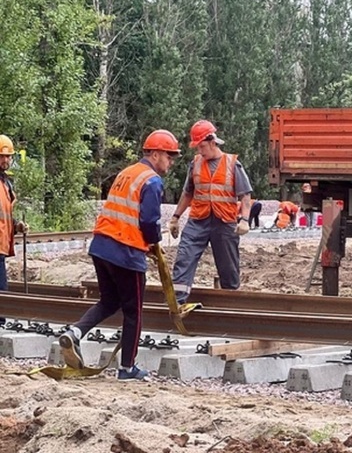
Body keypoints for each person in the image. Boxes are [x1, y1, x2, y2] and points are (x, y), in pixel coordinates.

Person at [58, 130, 180, 380]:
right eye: (170, 156)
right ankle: (127, 368)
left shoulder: (127, 173)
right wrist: (155, 245)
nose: (172, 161)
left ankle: (75, 333)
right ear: (155, 154)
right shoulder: (152, 181)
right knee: (133, 312)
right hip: (126, 252)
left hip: (101, 247)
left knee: (109, 302)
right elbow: (148, 221)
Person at [168, 120, 253, 304]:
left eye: (202, 146)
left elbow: (245, 196)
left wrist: (245, 220)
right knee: (184, 258)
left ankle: (230, 304)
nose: (199, 150)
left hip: (224, 223)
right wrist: (175, 217)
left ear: (213, 142)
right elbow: (187, 193)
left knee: (228, 267)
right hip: (198, 221)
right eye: (197, 147)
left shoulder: (232, 163)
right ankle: (177, 302)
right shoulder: (196, 163)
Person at [0, 135, 28, 326]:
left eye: (8, 156)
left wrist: (17, 226)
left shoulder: (6, 183)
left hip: (1, 244)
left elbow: (5, 215)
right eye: (2, 156)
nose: (5, 160)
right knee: (1, 290)